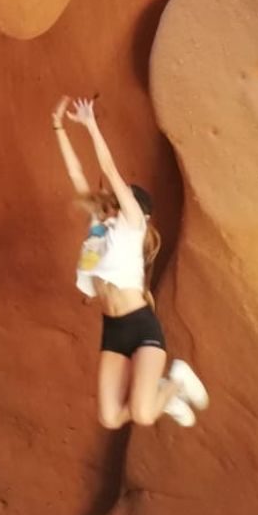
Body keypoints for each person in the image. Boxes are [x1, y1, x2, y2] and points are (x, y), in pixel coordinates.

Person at [52, 96, 208, 428]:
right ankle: (163, 390)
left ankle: (177, 380)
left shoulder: (132, 227)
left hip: (140, 327)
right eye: (121, 201)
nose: (120, 203)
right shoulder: (100, 230)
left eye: (127, 201)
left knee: (142, 414)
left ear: (141, 212)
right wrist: (58, 127)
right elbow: (77, 177)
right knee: (109, 419)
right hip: (114, 330)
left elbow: (109, 170)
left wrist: (91, 124)